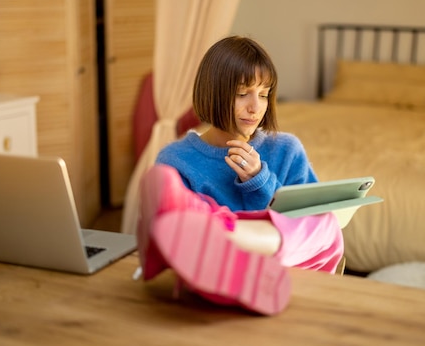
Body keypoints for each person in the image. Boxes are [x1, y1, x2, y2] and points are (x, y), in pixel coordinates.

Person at [136, 36, 344, 315]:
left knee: (325, 222)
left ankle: (221, 233)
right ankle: (213, 233)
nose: (255, 107)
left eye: (264, 94)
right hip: (209, 281)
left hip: (285, 271)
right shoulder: (175, 160)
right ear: (213, 92)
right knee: (323, 225)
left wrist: (261, 180)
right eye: (242, 93)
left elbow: (308, 223)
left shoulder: (285, 149)